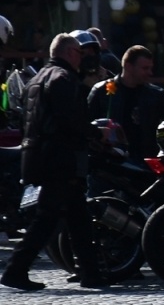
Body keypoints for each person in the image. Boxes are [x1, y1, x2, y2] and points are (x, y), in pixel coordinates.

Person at [2, 33, 106, 291]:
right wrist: (95, 133)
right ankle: (16, 269)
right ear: (70, 53)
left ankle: (90, 273)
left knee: (78, 217)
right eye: (80, 54)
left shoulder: (36, 79)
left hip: (39, 156)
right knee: (47, 218)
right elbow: (69, 121)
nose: (82, 59)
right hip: (60, 158)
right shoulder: (63, 79)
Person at [87, 45, 164, 162]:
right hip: (111, 162)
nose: (150, 73)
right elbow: (86, 125)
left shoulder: (157, 95)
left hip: (146, 162)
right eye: (145, 68)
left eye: (150, 68)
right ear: (128, 66)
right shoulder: (101, 92)